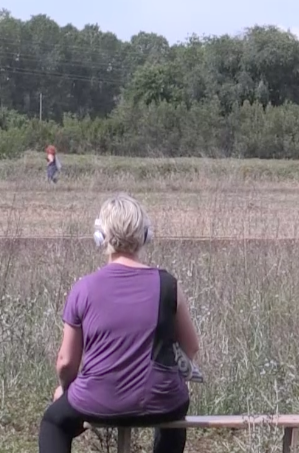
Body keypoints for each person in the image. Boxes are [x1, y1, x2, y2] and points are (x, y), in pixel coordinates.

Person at [39, 193, 199, 453]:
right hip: (162, 402)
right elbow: (190, 349)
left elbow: (66, 362)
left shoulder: (84, 288)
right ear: (145, 235)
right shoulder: (169, 285)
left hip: (97, 400)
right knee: (175, 406)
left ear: (100, 236)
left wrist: (67, 391)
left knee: (53, 423)